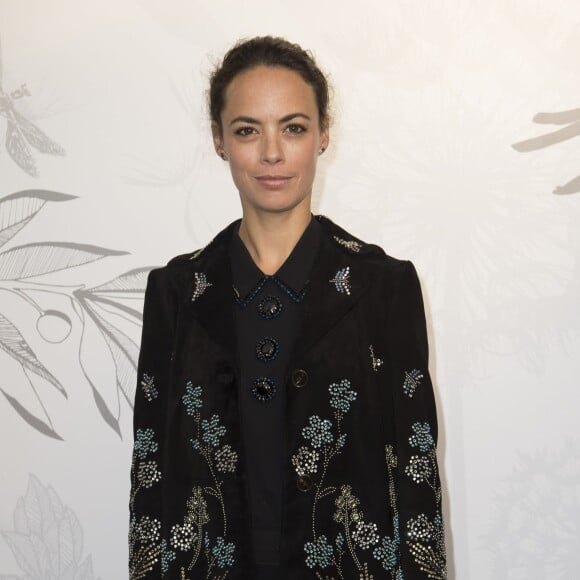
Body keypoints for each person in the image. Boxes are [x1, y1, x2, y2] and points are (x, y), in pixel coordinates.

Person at [128, 36, 447, 580]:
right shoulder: (177, 293)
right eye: (248, 130)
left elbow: (416, 473)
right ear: (219, 141)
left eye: (293, 128)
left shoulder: (384, 288)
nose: (271, 153)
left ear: (323, 135)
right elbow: (150, 475)